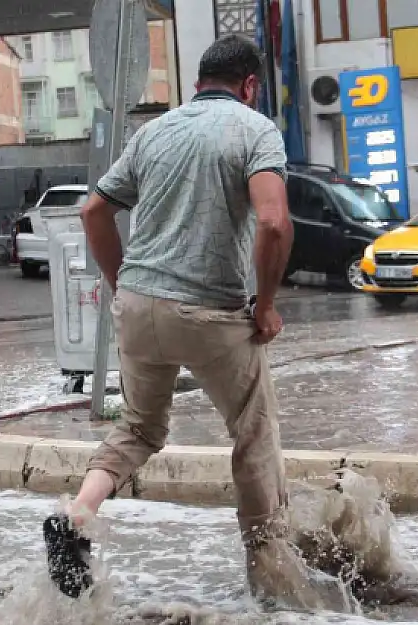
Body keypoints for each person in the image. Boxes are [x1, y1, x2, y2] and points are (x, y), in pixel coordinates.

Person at [41, 35, 301, 601]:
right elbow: (275, 223)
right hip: (209, 311)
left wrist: (123, 285)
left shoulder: (154, 132)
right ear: (249, 85)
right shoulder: (255, 130)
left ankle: (78, 513)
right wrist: (265, 305)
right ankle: (270, 577)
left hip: (137, 305)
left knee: (138, 426)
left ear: (199, 80)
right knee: (253, 434)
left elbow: (93, 211)